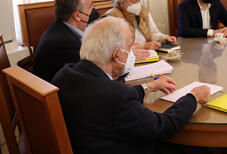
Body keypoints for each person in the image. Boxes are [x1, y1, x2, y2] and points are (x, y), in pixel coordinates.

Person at [52, 16, 211, 154]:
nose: (131, 54)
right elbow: (163, 126)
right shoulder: (116, 95)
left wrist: (148, 87)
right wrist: (192, 97)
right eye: (129, 48)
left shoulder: (65, 75)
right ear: (117, 55)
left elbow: (105, 102)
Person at [33, 0, 99, 82]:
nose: (92, 9)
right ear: (77, 15)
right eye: (90, 6)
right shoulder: (65, 44)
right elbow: (93, 76)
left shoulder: (59, 26)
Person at [106, 0, 176, 60]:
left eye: (138, 1)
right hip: (128, 59)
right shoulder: (112, 17)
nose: (137, 5)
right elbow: (116, 47)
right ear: (122, 2)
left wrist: (164, 38)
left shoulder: (143, 11)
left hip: (149, 53)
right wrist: (144, 46)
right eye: (134, 1)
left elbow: (153, 33)